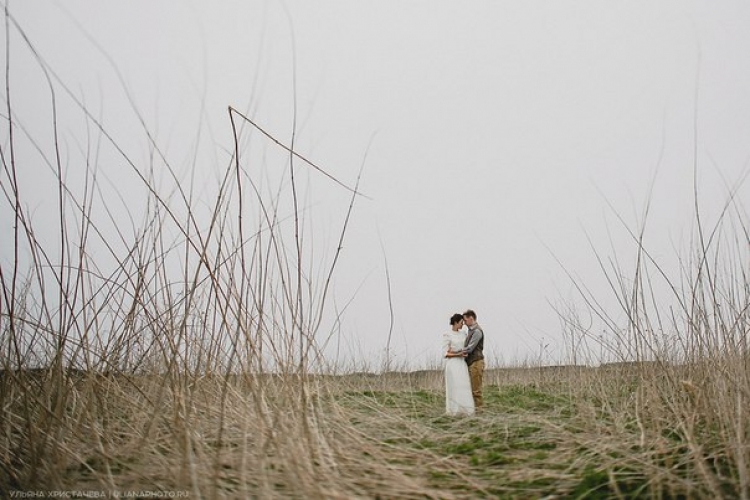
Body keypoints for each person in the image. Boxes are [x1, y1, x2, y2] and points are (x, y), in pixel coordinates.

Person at [442, 313, 475, 416]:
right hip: (453, 365)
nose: (462, 325)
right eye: (461, 323)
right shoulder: (447, 335)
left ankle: (466, 410)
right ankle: (454, 410)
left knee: (464, 385)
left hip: (462, 363)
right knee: (455, 386)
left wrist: (462, 353)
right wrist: (457, 354)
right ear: (456, 322)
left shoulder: (463, 334)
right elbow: (446, 353)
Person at [462, 309, 484, 410]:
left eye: (465, 320)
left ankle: (479, 412)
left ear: (471, 318)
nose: (464, 323)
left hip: (476, 362)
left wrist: (457, 351)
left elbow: (470, 348)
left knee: (476, 390)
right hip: (472, 363)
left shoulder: (477, 331)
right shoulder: (470, 331)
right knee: (472, 389)